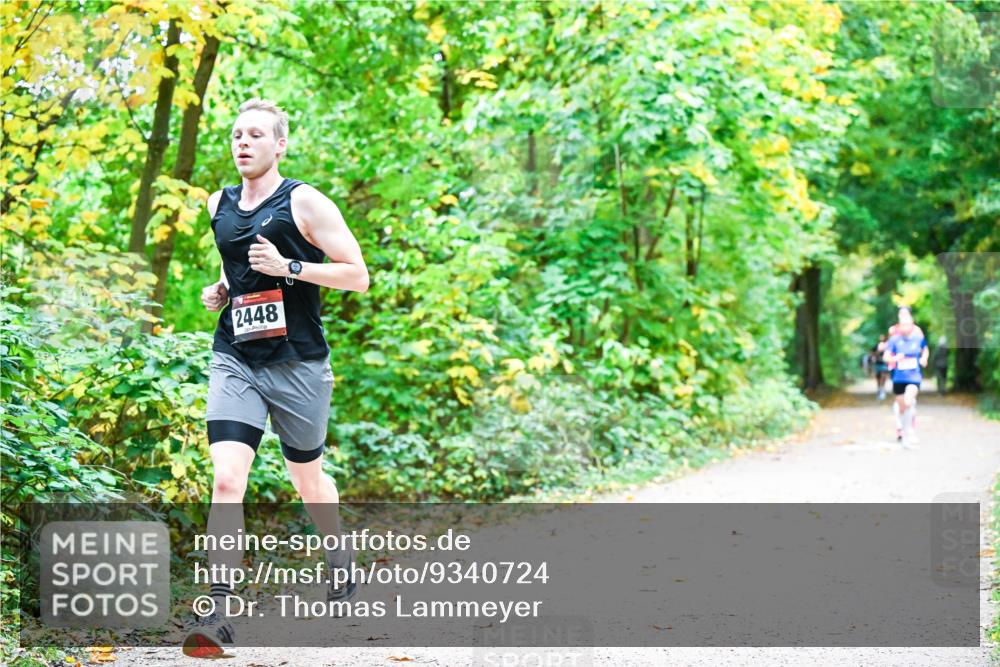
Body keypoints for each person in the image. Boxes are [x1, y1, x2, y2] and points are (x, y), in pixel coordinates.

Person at [183, 98, 369, 658]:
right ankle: (217, 613)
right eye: (237, 135)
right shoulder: (219, 202)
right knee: (226, 480)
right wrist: (221, 289)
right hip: (236, 356)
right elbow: (234, 265)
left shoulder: (305, 201)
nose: (243, 143)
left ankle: (339, 560)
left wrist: (290, 267)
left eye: (255, 135)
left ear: (279, 145)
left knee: (307, 480)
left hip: (300, 365)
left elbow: (357, 276)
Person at [883, 307, 928, 448]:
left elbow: (924, 348)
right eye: (901, 318)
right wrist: (895, 358)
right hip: (898, 375)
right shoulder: (893, 335)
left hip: (914, 375)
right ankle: (902, 429)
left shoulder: (918, 334)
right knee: (901, 406)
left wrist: (923, 359)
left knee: (909, 401)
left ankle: (909, 431)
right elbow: (886, 354)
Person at [872, 334, 889, 400]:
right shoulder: (876, 346)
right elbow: (872, 354)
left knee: (883, 376)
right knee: (878, 378)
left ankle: (882, 390)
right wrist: (878, 352)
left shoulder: (887, 346)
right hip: (877, 364)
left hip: (884, 364)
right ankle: (879, 389)